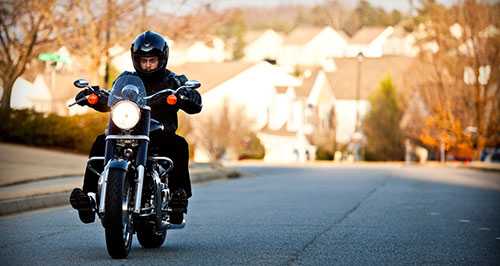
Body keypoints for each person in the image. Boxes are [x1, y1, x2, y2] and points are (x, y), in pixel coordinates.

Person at [69, 31, 202, 224]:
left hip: (159, 134)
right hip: (126, 130)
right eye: (143, 60)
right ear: (135, 59)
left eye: (152, 60)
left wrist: (188, 96)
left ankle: (177, 199)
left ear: (162, 59)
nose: (147, 64)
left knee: (179, 144)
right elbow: (111, 95)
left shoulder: (172, 80)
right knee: (100, 141)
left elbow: (193, 100)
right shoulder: (126, 79)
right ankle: (89, 197)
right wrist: (93, 96)